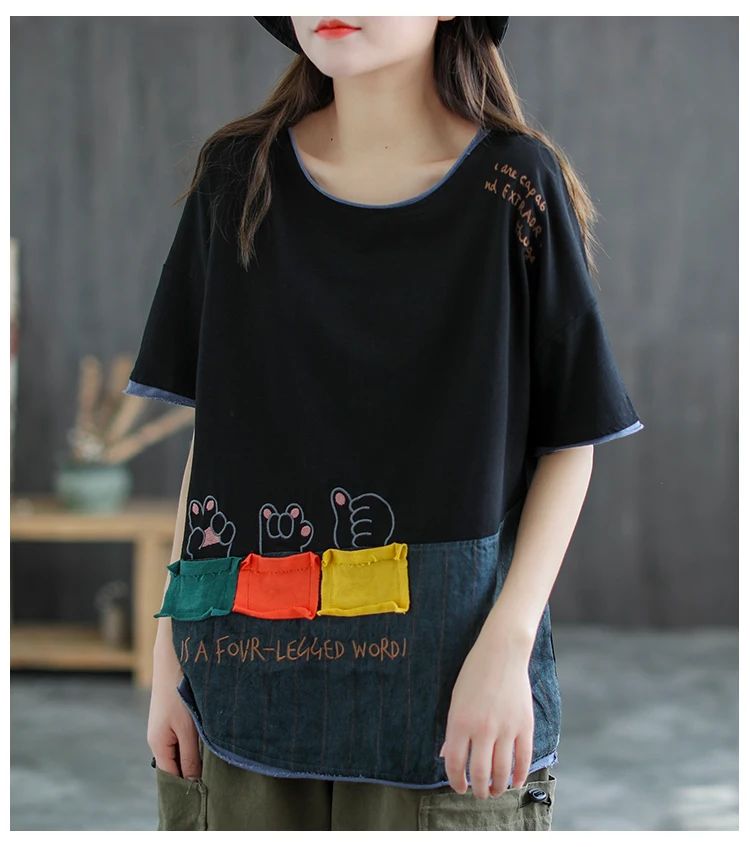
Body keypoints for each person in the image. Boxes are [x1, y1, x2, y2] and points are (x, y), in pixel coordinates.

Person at [125, 15, 644, 831]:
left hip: (448, 698)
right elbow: (218, 444)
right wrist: (171, 651)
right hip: (240, 689)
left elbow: (569, 441)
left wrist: (507, 647)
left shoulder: (514, 186)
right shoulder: (237, 179)